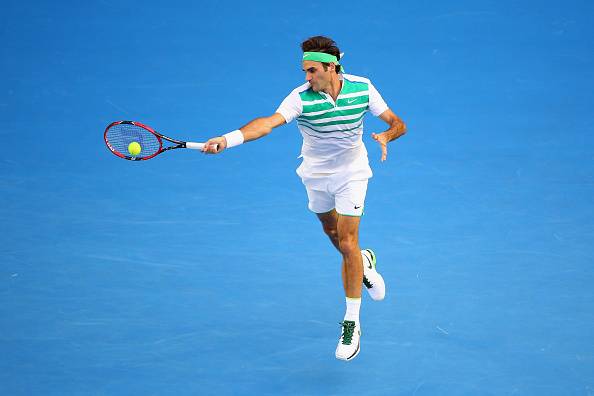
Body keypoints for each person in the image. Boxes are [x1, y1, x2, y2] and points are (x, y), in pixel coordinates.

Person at [201, 36, 406, 361]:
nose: (307, 77)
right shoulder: (300, 98)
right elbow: (267, 124)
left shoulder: (363, 88)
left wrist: (386, 134)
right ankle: (363, 265)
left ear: (331, 66)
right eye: (304, 71)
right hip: (315, 175)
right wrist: (230, 139)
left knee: (349, 243)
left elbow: (398, 123)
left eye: (312, 70)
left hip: (353, 172)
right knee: (334, 236)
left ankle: (352, 321)